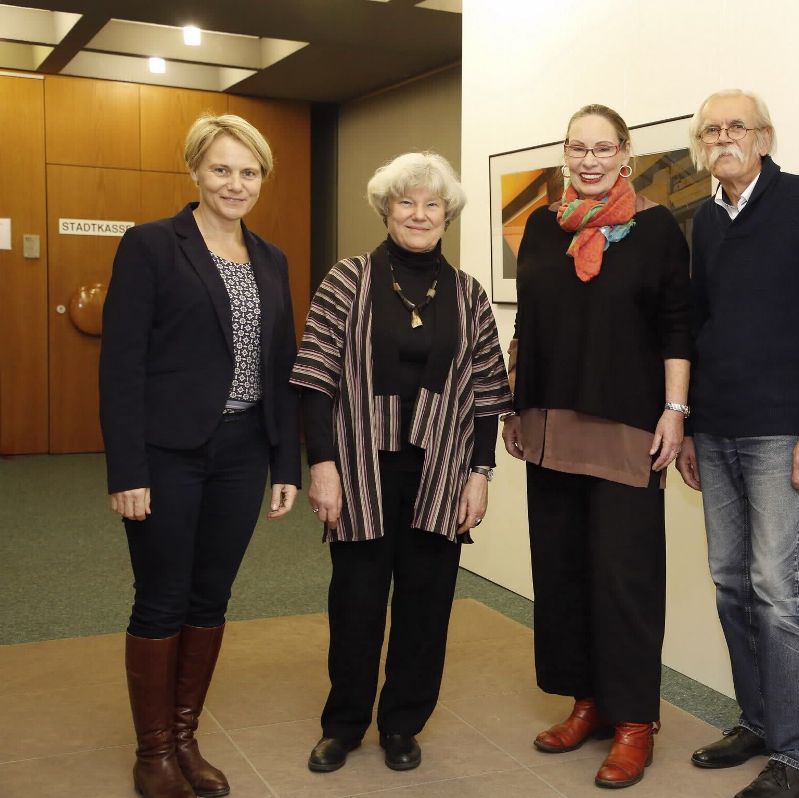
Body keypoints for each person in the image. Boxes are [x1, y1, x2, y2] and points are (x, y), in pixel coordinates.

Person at [291, 151, 513, 775]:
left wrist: (480, 472)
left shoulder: (468, 294)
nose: (419, 213)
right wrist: (323, 464)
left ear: (448, 214)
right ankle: (343, 724)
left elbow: (488, 392)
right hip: (361, 467)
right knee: (356, 600)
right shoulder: (347, 279)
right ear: (386, 209)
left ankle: (403, 723)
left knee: (428, 602)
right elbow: (313, 380)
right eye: (406, 202)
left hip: (441, 471)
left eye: (432, 204)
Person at [100, 113, 301, 798]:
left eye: (248, 171)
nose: (234, 183)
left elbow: (281, 367)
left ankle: (186, 739)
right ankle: (153, 752)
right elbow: (121, 366)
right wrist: (126, 469)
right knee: (162, 598)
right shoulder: (152, 245)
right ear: (195, 169)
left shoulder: (271, 258)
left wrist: (286, 462)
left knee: (211, 597)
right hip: (166, 453)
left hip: (244, 450)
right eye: (221, 168)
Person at [676, 89, 799, 798]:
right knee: (730, 583)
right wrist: (691, 423)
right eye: (712, 129)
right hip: (716, 429)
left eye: (736, 127)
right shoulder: (704, 220)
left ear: (762, 137)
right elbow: (698, 328)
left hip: (782, 432)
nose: (723, 137)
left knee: (776, 591)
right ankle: (757, 720)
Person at [502, 103, 691, 789]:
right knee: (564, 572)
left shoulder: (658, 228)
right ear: (564, 154)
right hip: (551, 420)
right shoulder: (542, 229)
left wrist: (676, 410)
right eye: (577, 148)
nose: (588, 160)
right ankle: (588, 702)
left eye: (601, 148)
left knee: (626, 577)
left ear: (625, 153)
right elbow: (529, 318)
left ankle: (636, 719)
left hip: (627, 427)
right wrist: (515, 401)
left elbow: (677, 326)